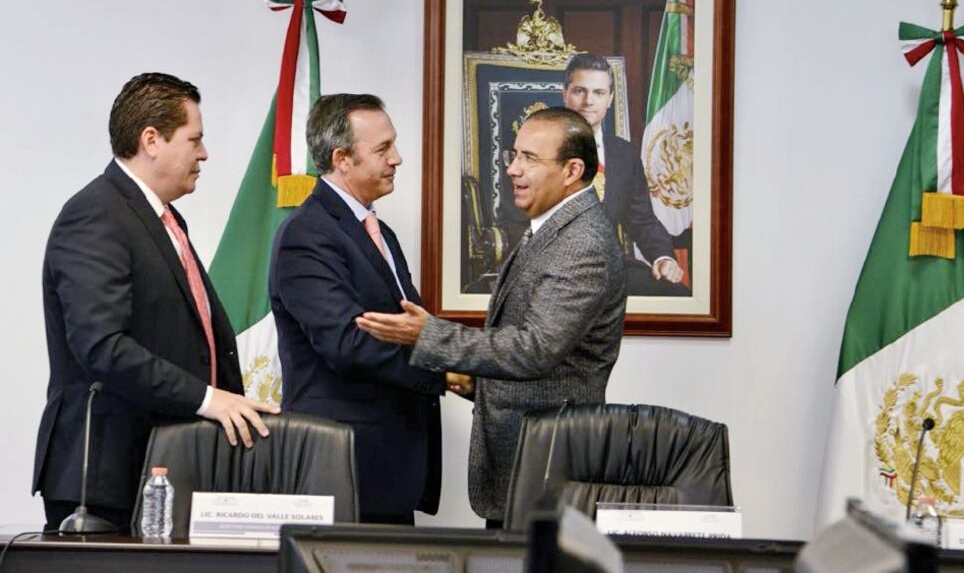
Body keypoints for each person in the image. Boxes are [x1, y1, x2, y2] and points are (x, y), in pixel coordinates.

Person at [357, 107, 627, 527]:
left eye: (530, 159)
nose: (513, 170)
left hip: (549, 468)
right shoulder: (553, 226)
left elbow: (536, 349)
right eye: (514, 155)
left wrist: (429, 335)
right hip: (524, 464)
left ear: (573, 169)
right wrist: (473, 381)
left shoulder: (582, 243)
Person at [33, 73, 279, 532]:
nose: (204, 153)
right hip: (106, 482)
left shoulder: (163, 218)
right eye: (195, 139)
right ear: (151, 140)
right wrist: (208, 399)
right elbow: (101, 346)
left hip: (163, 467)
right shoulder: (95, 215)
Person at [269, 93, 446, 525]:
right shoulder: (307, 235)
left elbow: (409, 325)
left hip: (388, 468)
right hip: (341, 469)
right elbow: (347, 343)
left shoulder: (378, 230)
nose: (398, 158)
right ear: (342, 158)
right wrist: (445, 367)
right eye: (383, 149)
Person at [562, 52, 687, 295]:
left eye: (598, 93)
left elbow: (642, 221)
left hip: (611, 270)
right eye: (579, 91)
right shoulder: (534, 149)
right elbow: (516, 223)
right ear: (564, 93)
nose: (589, 101)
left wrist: (663, 258)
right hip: (554, 273)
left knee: (677, 296)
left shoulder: (624, 155)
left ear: (609, 99)